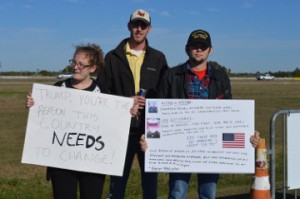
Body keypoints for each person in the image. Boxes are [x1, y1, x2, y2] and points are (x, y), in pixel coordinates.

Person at [139, 29, 261, 199]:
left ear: (210, 50)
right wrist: (151, 137)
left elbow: (231, 113)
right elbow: (159, 110)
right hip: (179, 146)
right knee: (177, 192)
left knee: (208, 193)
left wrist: (248, 133)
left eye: (203, 47)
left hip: (211, 147)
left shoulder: (220, 77)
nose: (198, 50)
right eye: (194, 46)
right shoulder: (172, 75)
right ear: (186, 49)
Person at [26, 44, 139, 199]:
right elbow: (43, 119)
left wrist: (128, 112)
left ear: (92, 68)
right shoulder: (58, 89)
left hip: (93, 164)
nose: (76, 67)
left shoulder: (103, 91)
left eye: (81, 64)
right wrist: (34, 105)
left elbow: (113, 121)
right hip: (61, 163)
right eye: (74, 62)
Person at [96, 9, 168, 199]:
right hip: (121, 130)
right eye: (135, 25)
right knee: (117, 184)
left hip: (150, 131)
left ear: (149, 29)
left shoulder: (158, 58)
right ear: (129, 26)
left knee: (150, 185)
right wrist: (125, 102)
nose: (138, 29)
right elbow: (102, 93)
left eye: (143, 25)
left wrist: (153, 104)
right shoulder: (112, 57)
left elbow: (165, 93)